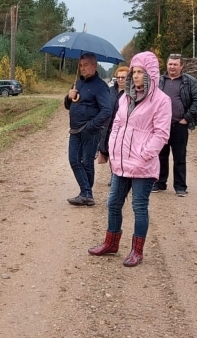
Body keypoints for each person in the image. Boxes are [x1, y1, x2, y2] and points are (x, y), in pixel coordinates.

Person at [88, 52, 171, 267]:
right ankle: (111, 243)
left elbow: (161, 134)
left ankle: (137, 250)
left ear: (151, 74)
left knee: (139, 207)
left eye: (140, 72)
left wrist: (144, 154)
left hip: (142, 164)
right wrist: (113, 151)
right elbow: (117, 124)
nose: (135, 76)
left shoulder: (162, 101)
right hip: (121, 162)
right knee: (113, 203)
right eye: (134, 71)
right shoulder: (125, 97)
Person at [64, 52, 112, 206]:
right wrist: (68, 96)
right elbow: (68, 106)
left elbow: (107, 110)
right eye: (80, 65)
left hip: (90, 131)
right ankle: (86, 193)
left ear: (94, 66)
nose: (82, 68)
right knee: (73, 160)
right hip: (75, 130)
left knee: (86, 162)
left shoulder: (100, 86)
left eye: (86, 65)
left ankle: (86, 194)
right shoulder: (77, 83)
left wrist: (91, 126)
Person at [153, 53, 197, 196]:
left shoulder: (190, 82)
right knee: (160, 155)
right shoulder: (159, 81)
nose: (172, 67)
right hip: (161, 126)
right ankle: (159, 183)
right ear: (166, 65)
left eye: (175, 64)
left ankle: (180, 187)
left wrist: (186, 118)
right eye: (170, 64)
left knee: (179, 157)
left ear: (182, 66)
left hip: (179, 125)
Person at [96, 63, 130, 179]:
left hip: (124, 128)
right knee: (111, 152)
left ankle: (122, 176)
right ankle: (114, 176)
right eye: (118, 77)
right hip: (108, 127)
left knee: (121, 153)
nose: (120, 79)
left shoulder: (132, 94)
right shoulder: (109, 91)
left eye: (123, 77)